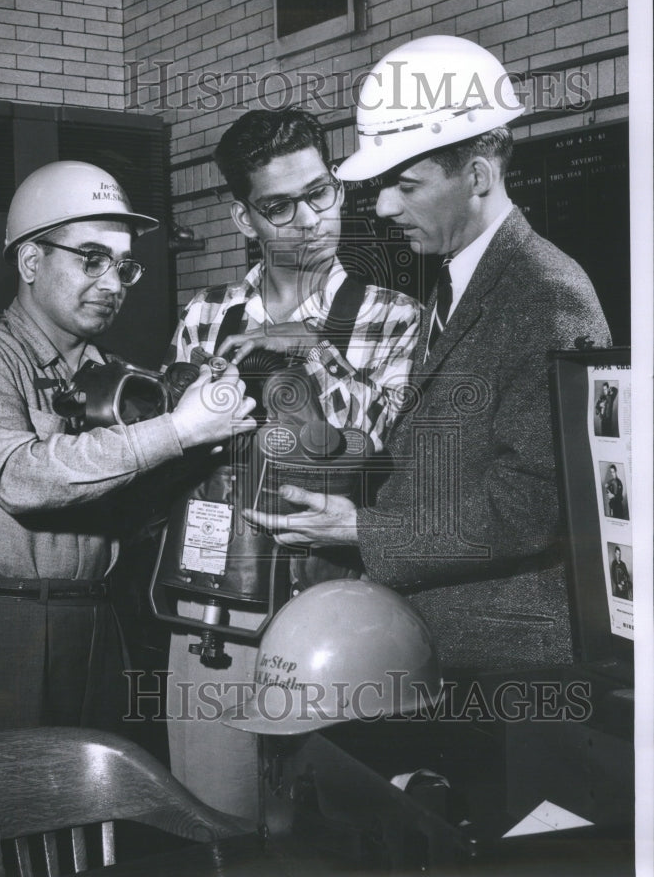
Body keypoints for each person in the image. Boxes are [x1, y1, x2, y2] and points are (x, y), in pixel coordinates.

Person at [245, 36, 612, 674]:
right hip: (428, 640)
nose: (385, 207)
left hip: (504, 663)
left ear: (476, 176)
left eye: (406, 185)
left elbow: (534, 506)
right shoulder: (452, 280)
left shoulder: (546, 296)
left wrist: (364, 531)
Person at [0, 160, 254, 752]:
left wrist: (206, 442)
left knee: (94, 818)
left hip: (92, 621)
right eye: (91, 259)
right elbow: (23, 477)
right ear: (31, 261)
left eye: (123, 265)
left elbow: (129, 510)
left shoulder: (111, 375)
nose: (113, 283)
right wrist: (178, 429)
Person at [162, 108, 420, 818]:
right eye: (279, 206)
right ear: (243, 217)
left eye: (320, 193)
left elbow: (385, 449)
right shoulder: (204, 315)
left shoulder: (392, 316)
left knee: (325, 827)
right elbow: (164, 458)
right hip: (213, 609)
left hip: (335, 614)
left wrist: (309, 352)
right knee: (211, 818)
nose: (307, 219)